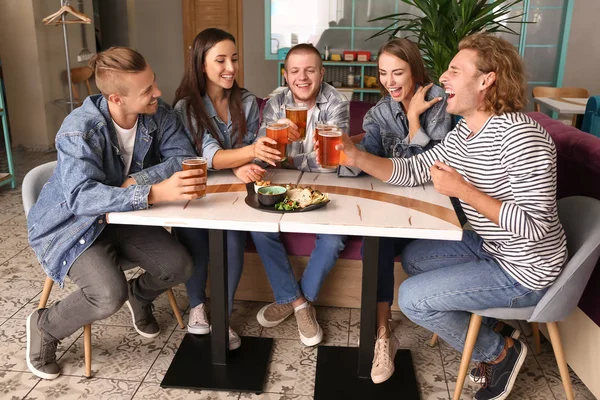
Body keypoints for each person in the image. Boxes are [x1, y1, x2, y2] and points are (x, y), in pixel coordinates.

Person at [337, 33, 567, 400]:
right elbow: (413, 170)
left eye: (455, 70)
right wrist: (358, 157)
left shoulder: (523, 136)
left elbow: (535, 228)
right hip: (493, 245)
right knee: (414, 257)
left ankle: (498, 353)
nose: (443, 78)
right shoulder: (466, 135)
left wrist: (466, 191)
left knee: (411, 299)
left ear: (486, 79)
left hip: (525, 267)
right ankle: (489, 322)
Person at [26, 47, 203, 380]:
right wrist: (150, 192)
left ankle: (140, 295)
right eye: (147, 90)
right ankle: (44, 326)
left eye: (153, 83)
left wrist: (136, 181)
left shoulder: (158, 113)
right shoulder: (78, 129)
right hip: (74, 226)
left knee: (181, 265)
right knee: (108, 294)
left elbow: (183, 159)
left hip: (124, 218)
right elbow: (81, 198)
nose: (158, 93)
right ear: (116, 99)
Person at [334, 37, 452, 384]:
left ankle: (383, 333)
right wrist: (344, 150)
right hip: (395, 212)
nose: (389, 81)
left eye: (397, 72)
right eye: (383, 73)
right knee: (377, 237)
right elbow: (364, 164)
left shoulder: (443, 106)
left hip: (434, 214)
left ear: (415, 69)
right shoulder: (379, 113)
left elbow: (431, 172)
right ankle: (383, 335)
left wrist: (415, 120)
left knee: (380, 236)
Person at [171, 28, 278, 349]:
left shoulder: (245, 101)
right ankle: (198, 307)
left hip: (233, 191)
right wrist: (251, 153)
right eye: (220, 60)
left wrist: (242, 160)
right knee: (196, 245)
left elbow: (239, 149)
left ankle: (223, 315)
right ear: (201, 64)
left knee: (232, 243)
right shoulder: (186, 107)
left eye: (234, 59)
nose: (230, 67)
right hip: (196, 191)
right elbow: (210, 155)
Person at [252, 43, 350, 346]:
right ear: (285, 74)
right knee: (259, 227)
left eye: (310, 70)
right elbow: (262, 156)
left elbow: (332, 162)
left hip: (326, 185)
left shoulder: (336, 101)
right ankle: (299, 305)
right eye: (295, 71)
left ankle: (295, 300)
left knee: (334, 238)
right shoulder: (275, 102)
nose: (302, 77)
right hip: (282, 182)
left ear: (321, 73)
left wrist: (289, 153)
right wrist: (274, 142)